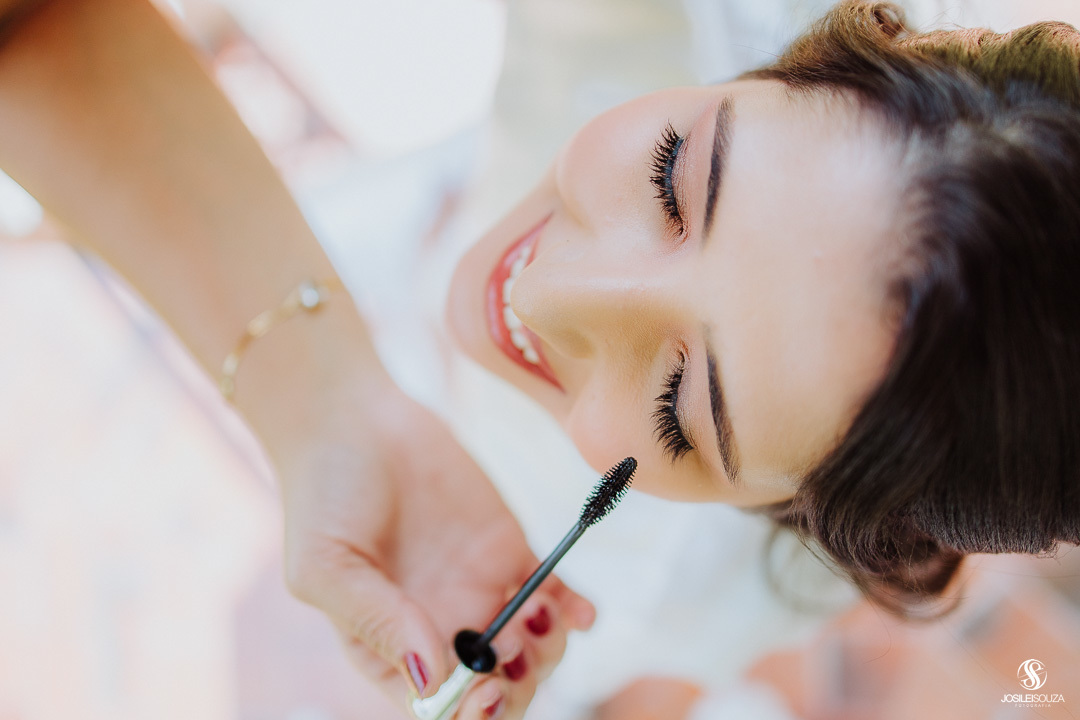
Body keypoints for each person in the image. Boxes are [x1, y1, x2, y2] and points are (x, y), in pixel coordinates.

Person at [2, 1, 1079, 719]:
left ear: (793, 506)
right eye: (670, 178)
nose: (553, 292)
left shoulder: (657, 583)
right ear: (828, 43)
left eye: (675, 406)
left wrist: (328, 407)